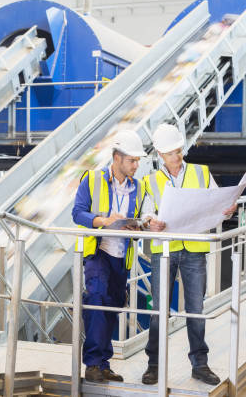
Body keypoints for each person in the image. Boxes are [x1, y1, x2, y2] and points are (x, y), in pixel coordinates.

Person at [140, 123, 237, 386]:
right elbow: (146, 213)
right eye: (171, 152)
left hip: (193, 249)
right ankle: (154, 365)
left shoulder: (201, 172)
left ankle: (200, 365)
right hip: (165, 249)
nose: (177, 156)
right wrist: (151, 221)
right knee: (159, 311)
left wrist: (228, 209)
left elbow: (218, 201)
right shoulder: (150, 181)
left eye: (179, 150)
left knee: (196, 309)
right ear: (160, 154)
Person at [71, 128, 147, 383]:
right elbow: (77, 213)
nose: (136, 165)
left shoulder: (139, 187)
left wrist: (138, 225)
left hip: (121, 256)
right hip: (98, 252)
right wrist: (104, 220)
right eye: (131, 160)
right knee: (96, 299)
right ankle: (92, 364)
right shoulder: (92, 179)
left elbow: (143, 218)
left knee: (113, 305)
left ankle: (103, 364)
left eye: (138, 161)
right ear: (117, 158)